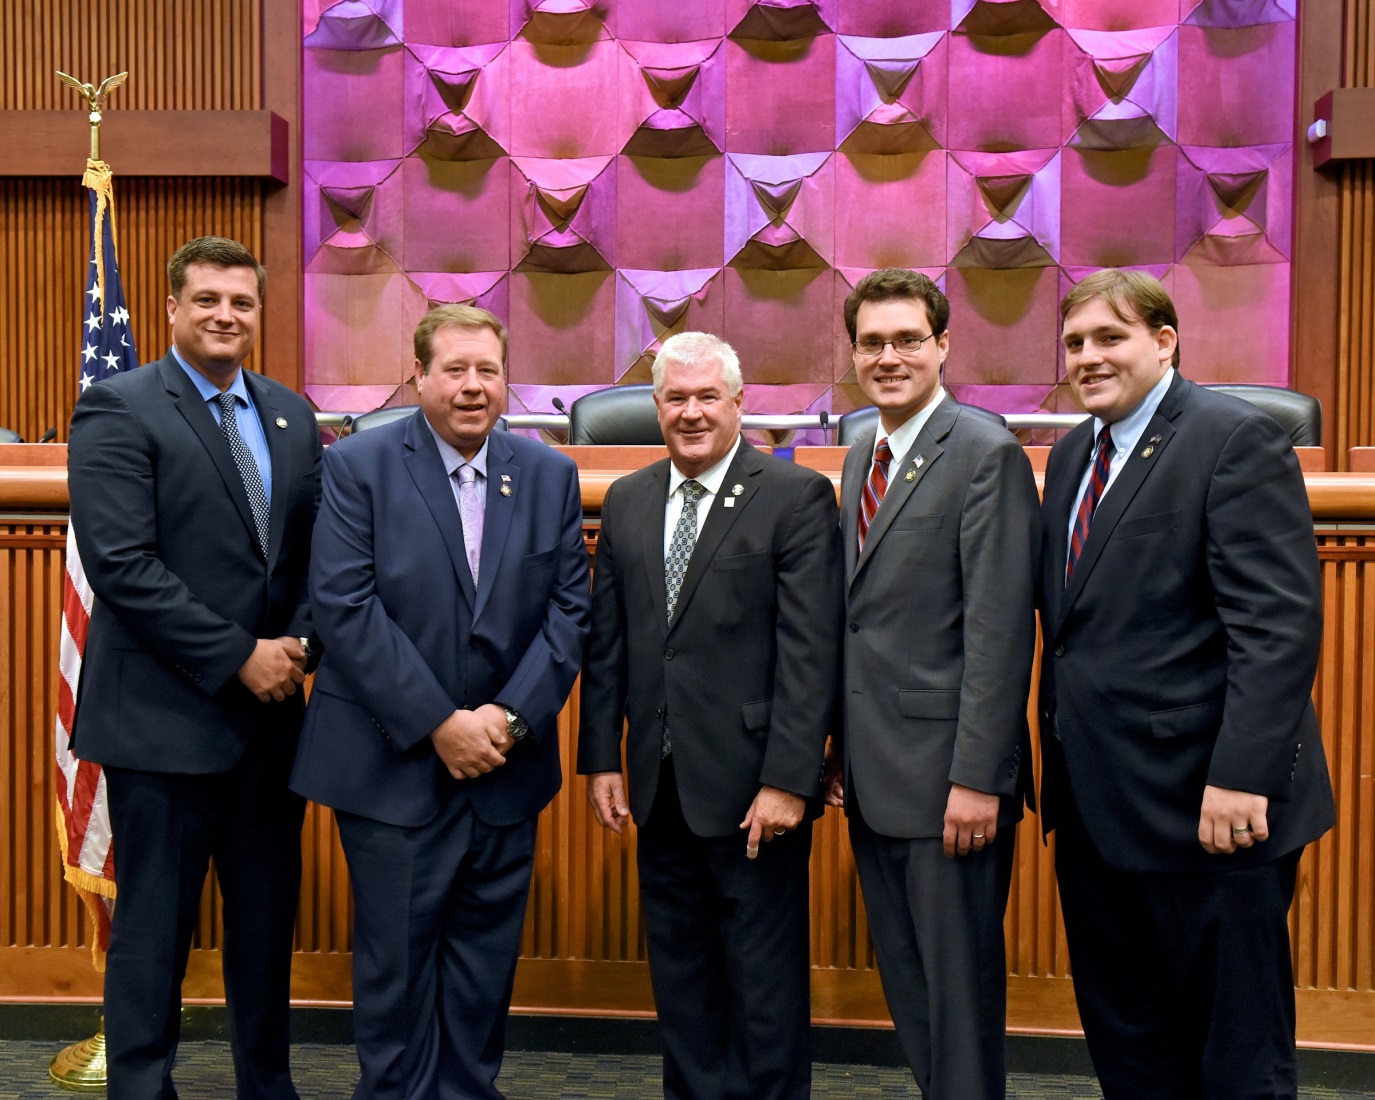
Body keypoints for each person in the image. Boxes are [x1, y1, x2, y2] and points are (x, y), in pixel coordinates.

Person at [1038, 269, 1336, 1099]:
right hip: (1098, 808)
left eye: (1110, 337)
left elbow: (1275, 630)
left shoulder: (1233, 438)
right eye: (1074, 343)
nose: (1088, 357)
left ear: (1164, 341)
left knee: (1235, 1058)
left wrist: (1241, 776)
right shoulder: (1070, 455)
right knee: (1130, 1045)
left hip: (1209, 810)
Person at [290, 304, 590, 1100]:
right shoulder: (358, 466)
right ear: (419, 376)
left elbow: (569, 613)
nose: (471, 386)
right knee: (395, 971)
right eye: (454, 369)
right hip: (391, 767)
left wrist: (508, 719)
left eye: (487, 370)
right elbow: (344, 606)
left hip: (505, 766)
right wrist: (438, 723)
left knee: (482, 973)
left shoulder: (548, 474)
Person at [67, 236, 322, 1099]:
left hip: (270, 727)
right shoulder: (119, 405)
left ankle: (268, 1087)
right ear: (173, 307)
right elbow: (120, 564)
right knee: (153, 936)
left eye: (241, 302)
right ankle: (141, 1088)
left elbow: (318, 558)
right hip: (161, 724)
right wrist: (239, 655)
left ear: (259, 313)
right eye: (207, 299)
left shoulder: (290, 415)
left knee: (265, 931)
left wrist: (299, 646)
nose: (225, 315)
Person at [577, 331, 843, 1100]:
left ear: (737, 402)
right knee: (683, 982)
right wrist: (601, 757)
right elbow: (608, 643)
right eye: (675, 398)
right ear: (655, 405)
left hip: (754, 788)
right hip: (659, 785)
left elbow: (809, 653)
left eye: (706, 397)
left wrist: (789, 779)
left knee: (763, 991)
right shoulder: (627, 499)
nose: (690, 413)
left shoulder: (792, 495)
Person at [821, 269, 1039, 1099]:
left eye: (907, 339)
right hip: (875, 776)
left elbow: (998, 632)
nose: (888, 357)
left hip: (951, 783)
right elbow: (860, 622)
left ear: (942, 345)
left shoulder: (984, 452)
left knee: (957, 1002)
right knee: (911, 992)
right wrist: (839, 744)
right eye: (871, 342)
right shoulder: (860, 455)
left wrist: (979, 778)